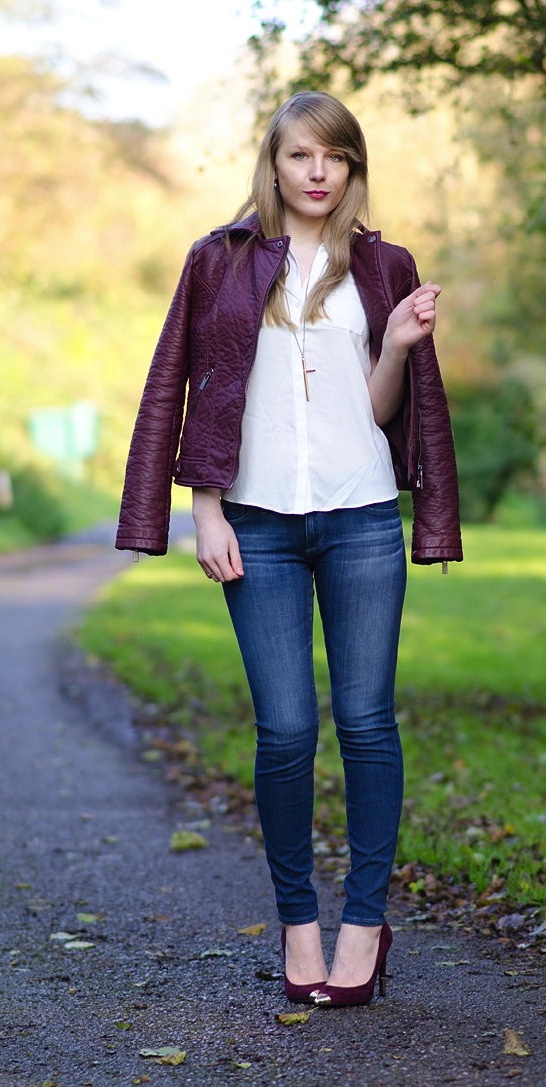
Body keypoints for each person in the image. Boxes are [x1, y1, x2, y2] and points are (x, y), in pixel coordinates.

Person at [116, 91, 462, 1007]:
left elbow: (382, 407)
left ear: (351, 169)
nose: (318, 173)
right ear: (272, 164)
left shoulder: (383, 264)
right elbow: (182, 384)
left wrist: (394, 342)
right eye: (302, 156)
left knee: (365, 721)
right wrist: (206, 508)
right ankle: (297, 921)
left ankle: (363, 925)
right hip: (258, 525)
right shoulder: (218, 261)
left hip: (358, 518)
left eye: (335, 158)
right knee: (284, 729)